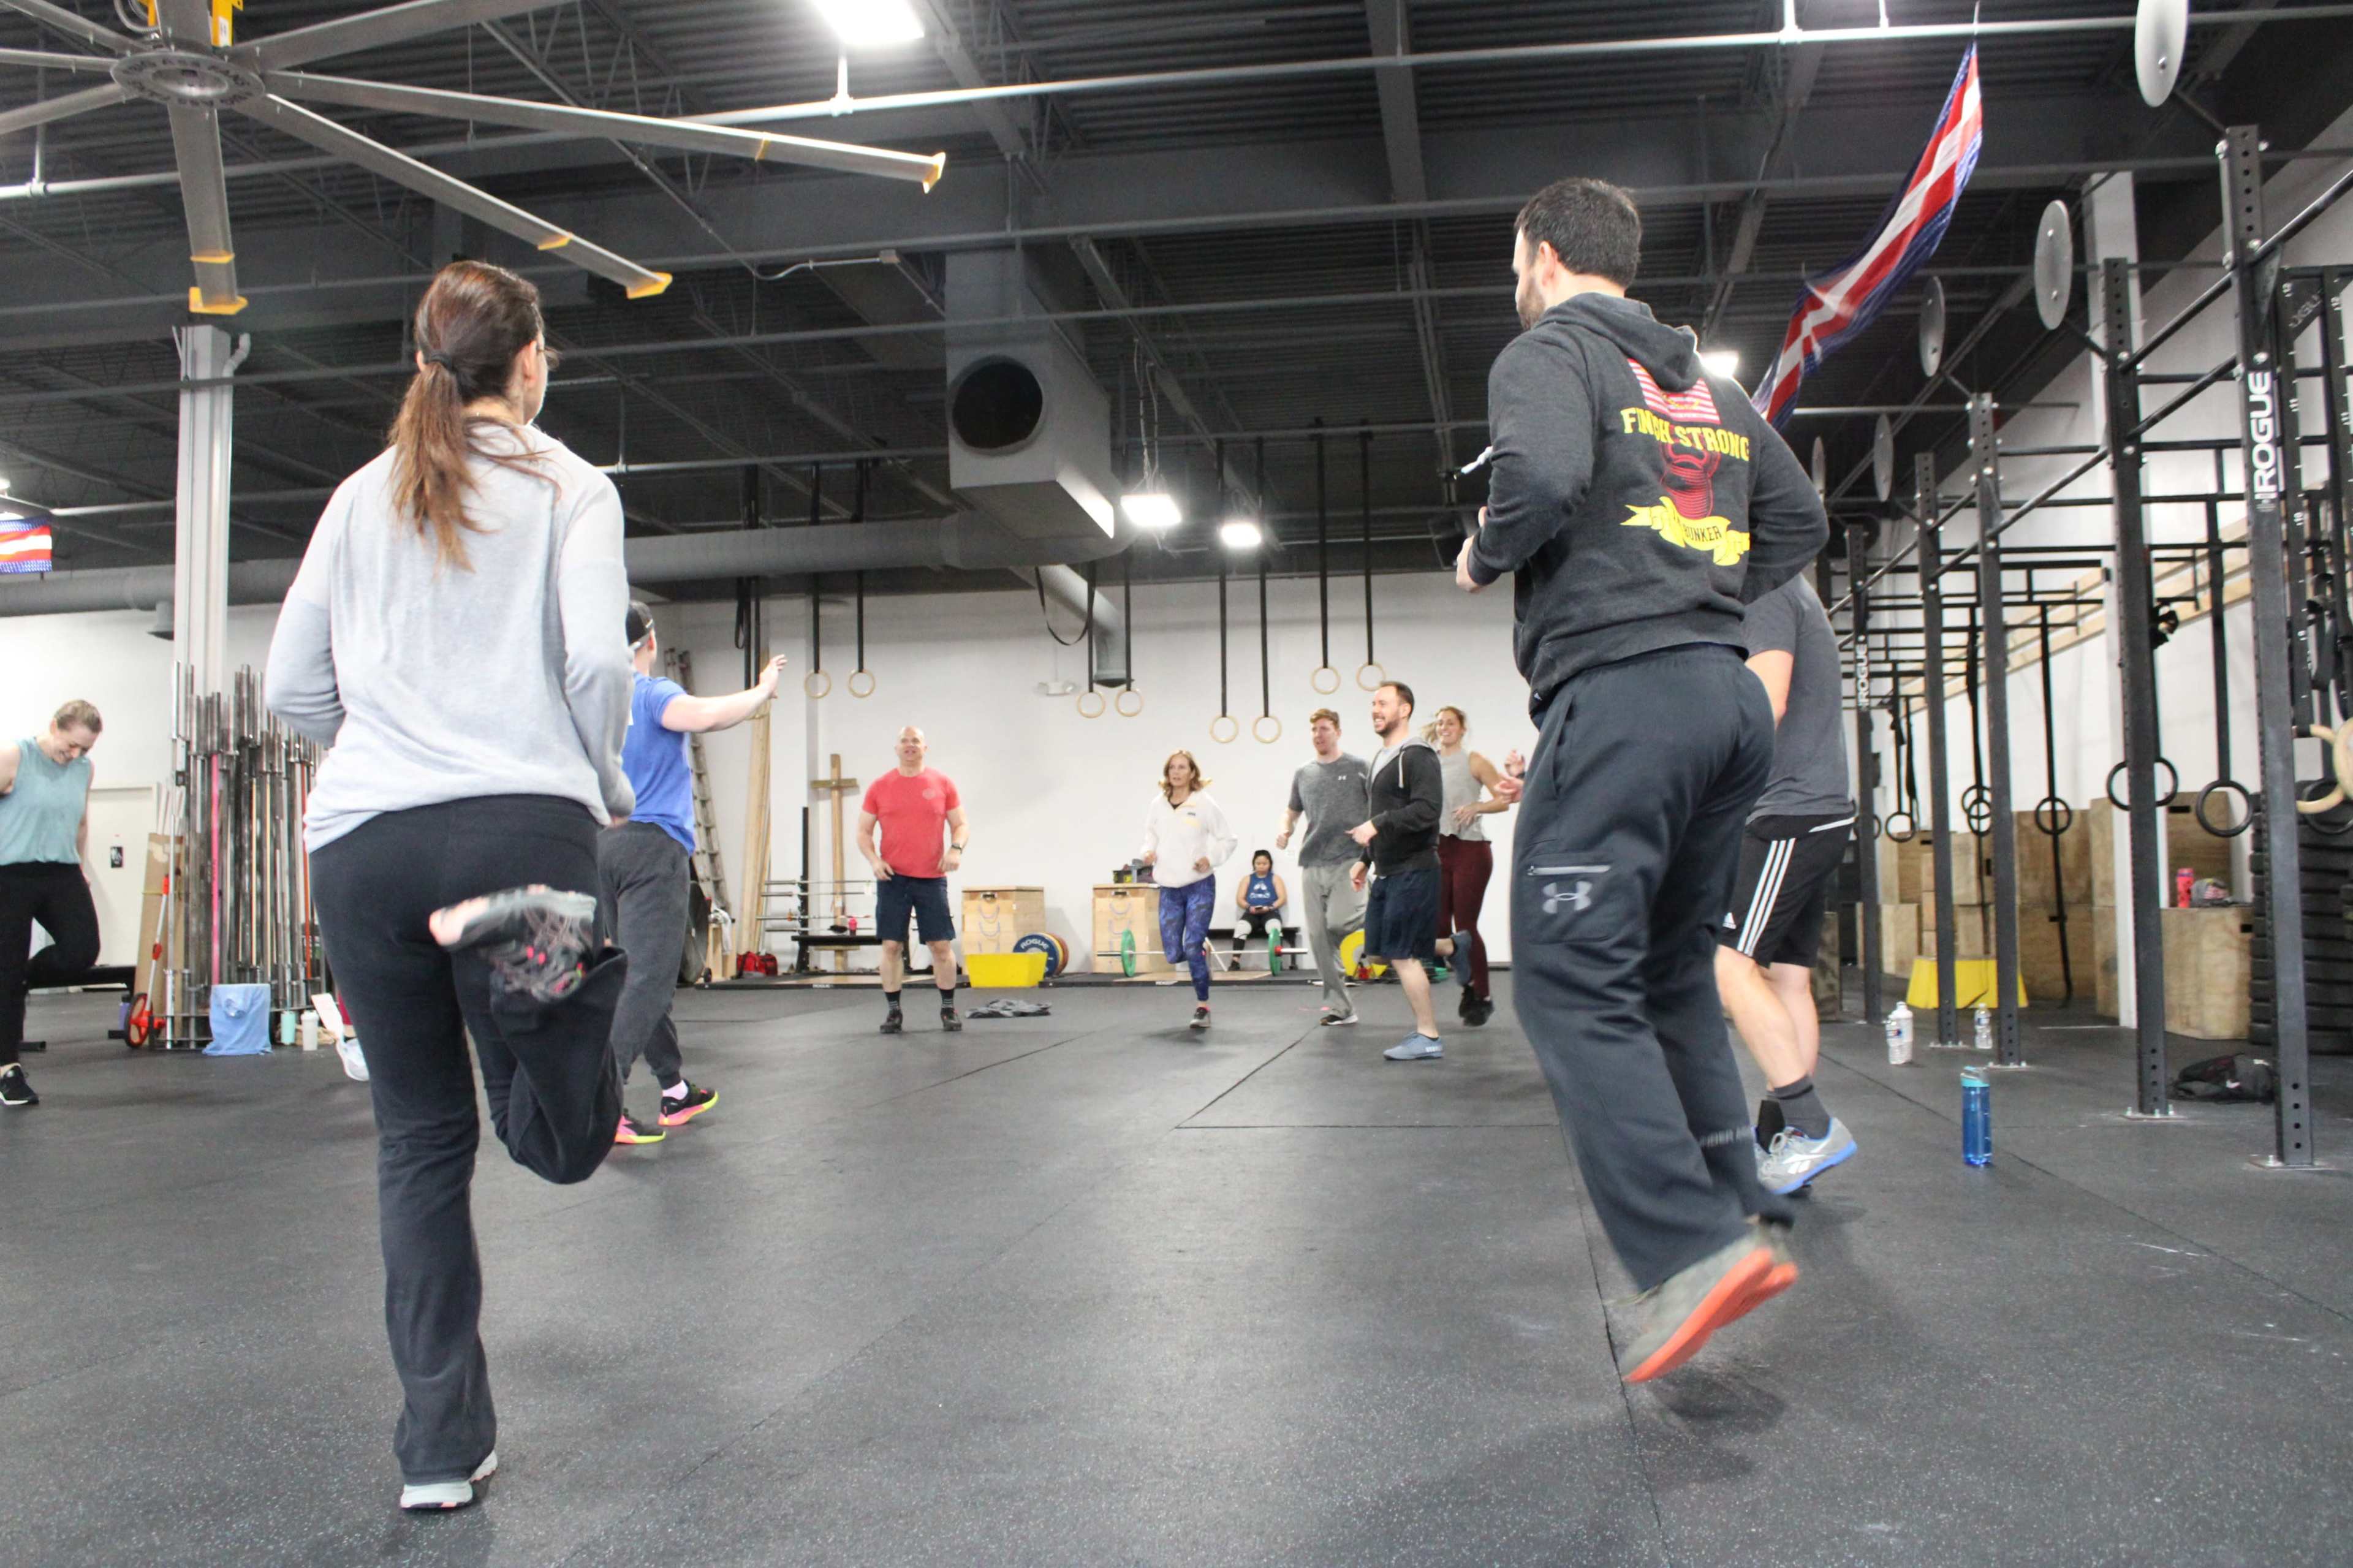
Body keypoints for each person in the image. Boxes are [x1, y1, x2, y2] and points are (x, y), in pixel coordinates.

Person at [265, 259, 640, 1509]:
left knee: (420, 1144)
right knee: (566, 1143)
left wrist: (375, 747)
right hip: (515, 829)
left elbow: (287, 692)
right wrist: (595, 781)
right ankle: (537, 985)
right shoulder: (568, 485)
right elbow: (596, 660)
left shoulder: (360, 492)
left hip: (362, 843)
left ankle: (437, 1452)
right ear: (529, 365)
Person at [1454, 177, 1827, 1382]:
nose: (1518, 280)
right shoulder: (1703, 384)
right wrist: (1702, 588)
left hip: (1624, 698)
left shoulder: (1549, 350)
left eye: (1519, 259)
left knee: (1565, 980)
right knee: (1672, 972)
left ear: (1548, 254)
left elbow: (1545, 480)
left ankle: (1689, 1246)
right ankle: (1735, 1202)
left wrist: (1482, 553)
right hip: (1725, 710)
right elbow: (1800, 518)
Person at [601, 602, 786, 1146]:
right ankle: (600, 1100)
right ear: (649, 642)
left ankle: (674, 1088)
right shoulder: (651, 693)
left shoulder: (592, 702)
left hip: (603, 845)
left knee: (639, 968)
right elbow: (709, 716)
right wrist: (762, 691)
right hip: (652, 847)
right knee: (649, 977)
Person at [1717, 573, 1857, 1194]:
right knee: (1788, 979)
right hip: (1817, 808)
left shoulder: (1765, 591)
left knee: (1729, 967)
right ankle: (1788, 1146)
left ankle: (1809, 1125)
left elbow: (1767, 703)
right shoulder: (1790, 589)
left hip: (1788, 812)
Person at [0, 699, 104, 1108]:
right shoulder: (15, 756)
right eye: (71, 745)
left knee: (82, 949)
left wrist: (80, 865)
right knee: (4, 971)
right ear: (54, 727)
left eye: (85, 748)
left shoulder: (83, 770)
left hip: (61, 869)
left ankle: (24, 977)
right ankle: (8, 1070)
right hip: (10, 872)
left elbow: (80, 820)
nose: (75, 755)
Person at [1349, 683, 1447, 1062]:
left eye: (1383, 703)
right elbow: (1382, 822)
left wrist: (1377, 825)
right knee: (1378, 954)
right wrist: (1365, 858)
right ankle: (1453, 946)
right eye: (1373, 704)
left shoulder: (1417, 755)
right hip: (1388, 870)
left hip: (1414, 868)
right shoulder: (1381, 758)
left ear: (1404, 709)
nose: (1376, 709)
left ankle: (1429, 1035)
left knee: (1403, 954)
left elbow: (1428, 810)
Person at [857, 727, 969, 1035]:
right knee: (891, 945)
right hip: (893, 878)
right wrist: (875, 860)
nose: (910, 745)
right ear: (896, 748)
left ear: (925, 748)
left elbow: (961, 825)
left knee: (941, 945)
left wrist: (955, 849)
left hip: (932, 878)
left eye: (915, 741)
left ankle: (948, 1009)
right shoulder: (880, 787)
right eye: (905, 741)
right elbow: (863, 832)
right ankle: (894, 1012)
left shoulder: (942, 783)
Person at [1276, 708, 1370, 1026]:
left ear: (1338, 732)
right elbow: (1291, 811)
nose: (1319, 734)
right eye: (1315, 729)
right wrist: (1285, 828)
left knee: (1339, 923)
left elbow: (1378, 808)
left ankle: (1376, 910)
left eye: (1325, 729)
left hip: (1349, 859)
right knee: (1318, 937)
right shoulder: (1304, 773)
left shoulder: (1359, 767)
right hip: (1312, 861)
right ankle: (1342, 1008)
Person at [1139, 750, 1235, 1029]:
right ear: (1167, 773)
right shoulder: (1157, 804)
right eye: (1172, 768)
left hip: (1199, 885)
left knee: (1191, 946)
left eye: (1183, 768)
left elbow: (1228, 839)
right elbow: (1150, 836)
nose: (1177, 772)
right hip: (1169, 887)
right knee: (1173, 953)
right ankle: (1197, 952)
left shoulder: (1204, 803)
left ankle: (1202, 1005)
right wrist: (1148, 852)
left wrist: (1211, 858)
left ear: (1193, 772)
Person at [1429, 705, 1511, 1027]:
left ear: (1462, 729)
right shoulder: (1428, 761)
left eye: (1451, 723)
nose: (1444, 727)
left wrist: (1479, 805)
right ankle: (1467, 981)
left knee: (1465, 924)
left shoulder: (1473, 761)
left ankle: (1481, 995)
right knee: (1438, 928)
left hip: (1470, 849)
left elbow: (1504, 799)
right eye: (1440, 723)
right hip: (1437, 850)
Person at [1229, 849, 1287, 968]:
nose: (1261, 866)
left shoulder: (1276, 879)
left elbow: (1282, 898)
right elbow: (1240, 898)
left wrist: (1270, 907)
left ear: (1270, 864)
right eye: (1258, 863)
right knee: (1241, 927)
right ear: (1254, 864)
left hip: (1270, 912)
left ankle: (1278, 962)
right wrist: (1249, 907)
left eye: (1264, 864)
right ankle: (1235, 962)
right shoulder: (1247, 879)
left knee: (1274, 928)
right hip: (1252, 913)